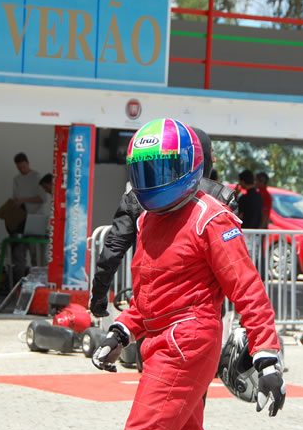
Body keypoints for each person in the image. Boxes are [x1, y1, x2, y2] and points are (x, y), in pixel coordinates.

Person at [91, 119, 285, 430]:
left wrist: (267, 358)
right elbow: (151, 293)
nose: (153, 180)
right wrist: (120, 333)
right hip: (161, 342)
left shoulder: (210, 218)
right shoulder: (147, 220)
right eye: (145, 172)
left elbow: (247, 289)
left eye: (162, 169)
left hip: (186, 343)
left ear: (189, 164)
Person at [89, 126, 237, 318]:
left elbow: (112, 251)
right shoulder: (221, 196)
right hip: (199, 311)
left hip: (151, 306)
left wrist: (98, 295)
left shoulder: (136, 197)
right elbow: (235, 267)